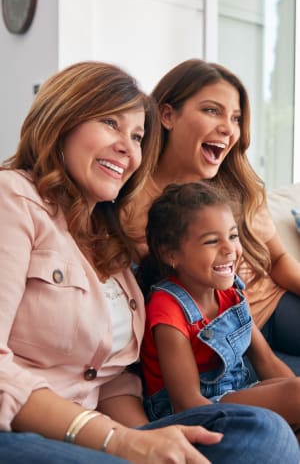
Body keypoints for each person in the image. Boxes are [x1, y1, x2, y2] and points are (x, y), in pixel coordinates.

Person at [1, 61, 296, 464]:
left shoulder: (109, 243)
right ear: (61, 120)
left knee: (264, 433)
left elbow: (113, 381)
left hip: (103, 432)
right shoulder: (13, 199)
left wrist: (146, 440)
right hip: (23, 428)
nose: (128, 147)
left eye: (137, 135)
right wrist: (120, 442)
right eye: (110, 123)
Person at [121, 58, 300, 374]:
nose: (228, 128)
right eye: (211, 110)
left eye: (236, 117)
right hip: (221, 344)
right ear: (167, 115)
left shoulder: (237, 185)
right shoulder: (129, 203)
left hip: (277, 308)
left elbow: (279, 262)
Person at [138, 181, 300, 442]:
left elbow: (266, 361)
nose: (229, 249)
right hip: (187, 412)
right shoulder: (167, 309)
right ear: (171, 255)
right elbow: (186, 403)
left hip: (235, 391)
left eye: (233, 236)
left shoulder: (231, 292)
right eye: (212, 241)